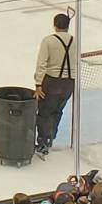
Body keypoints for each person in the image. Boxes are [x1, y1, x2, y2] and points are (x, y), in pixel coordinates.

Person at [31, 13, 76, 159]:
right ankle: (50, 138)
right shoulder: (75, 41)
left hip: (52, 82)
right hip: (69, 83)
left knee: (45, 113)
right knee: (58, 111)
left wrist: (38, 84)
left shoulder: (49, 41)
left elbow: (42, 63)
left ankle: (43, 143)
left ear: (54, 25)